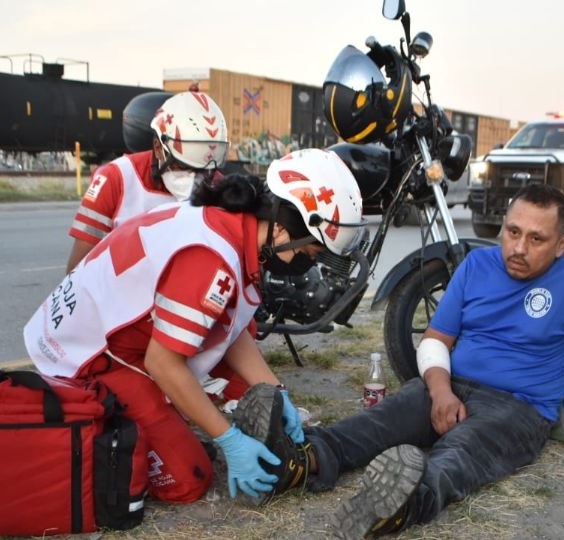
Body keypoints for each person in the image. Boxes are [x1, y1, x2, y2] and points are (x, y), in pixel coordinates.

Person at [235, 183, 564, 538]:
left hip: (519, 407)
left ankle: (401, 504)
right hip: (450, 384)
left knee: (460, 454)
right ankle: (296, 463)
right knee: (378, 421)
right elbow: (437, 339)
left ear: (561, 244)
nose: (519, 248)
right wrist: (440, 393)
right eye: (512, 232)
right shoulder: (478, 265)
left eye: (536, 239)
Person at [23, 148, 367, 504]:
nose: (307, 267)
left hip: (119, 331)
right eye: (309, 254)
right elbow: (162, 362)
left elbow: (231, 331)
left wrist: (279, 392)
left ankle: (160, 413)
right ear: (282, 229)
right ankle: (106, 420)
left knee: (234, 391)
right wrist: (227, 439)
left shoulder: (234, 228)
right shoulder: (212, 259)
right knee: (188, 480)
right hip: (89, 355)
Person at [65, 90, 228, 273]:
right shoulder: (116, 179)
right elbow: (77, 271)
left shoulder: (219, 187)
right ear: (159, 149)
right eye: (183, 167)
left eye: (202, 170)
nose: (194, 178)